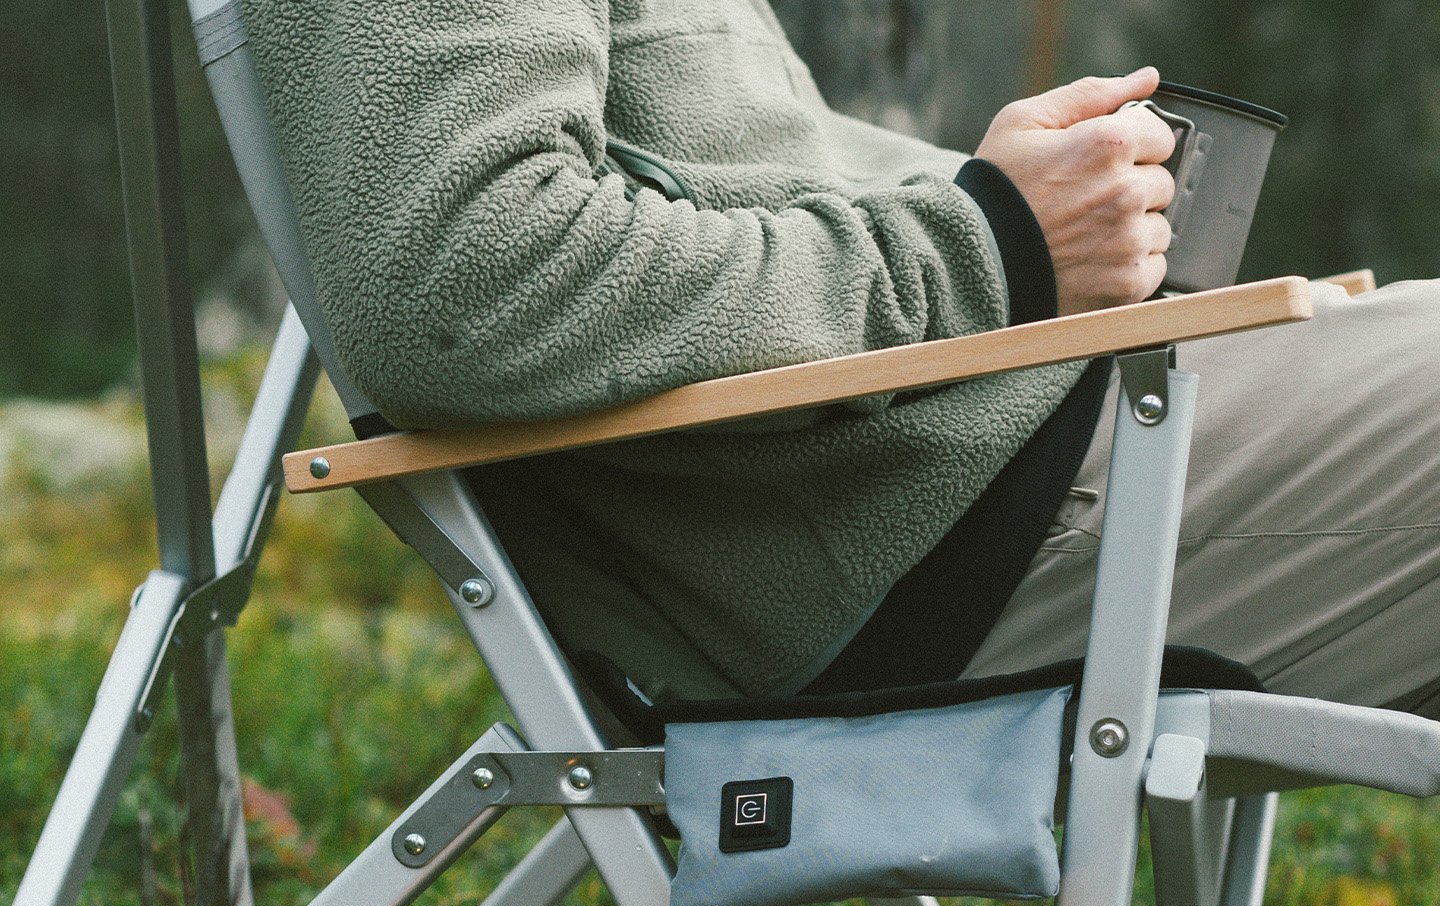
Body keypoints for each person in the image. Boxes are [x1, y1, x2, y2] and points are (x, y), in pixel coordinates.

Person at [246, 0, 1440, 716]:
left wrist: (1025, 211)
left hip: (1000, 457)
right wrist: (990, 244)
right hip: (940, 532)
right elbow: (464, 281)